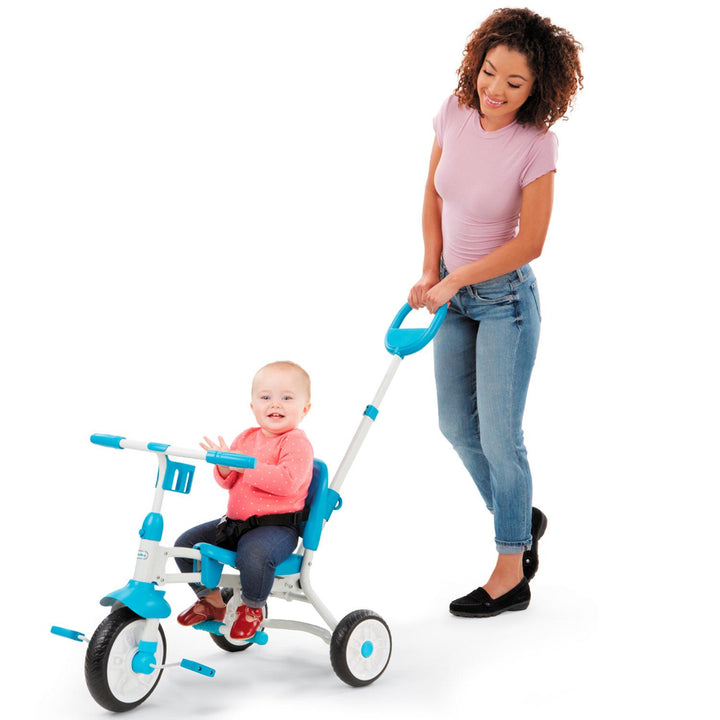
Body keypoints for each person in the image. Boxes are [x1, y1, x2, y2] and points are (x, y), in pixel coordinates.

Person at [408, 8, 583, 618]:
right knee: (456, 427)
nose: (495, 90)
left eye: (515, 82)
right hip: (450, 294)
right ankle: (520, 518)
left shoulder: (537, 144)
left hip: (504, 301)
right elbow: (432, 195)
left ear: (538, 87)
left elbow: (530, 242)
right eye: (489, 72)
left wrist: (455, 278)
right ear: (476, 64)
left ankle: (511, 571)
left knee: (501, 439)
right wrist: (430, 270)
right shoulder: (453, 112)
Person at [174, 361, 314, 639]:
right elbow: (228, 482)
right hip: (234, 524)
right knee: (185, 545)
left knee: (255, 555)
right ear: (253, 406)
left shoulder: (296, 442)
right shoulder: (246, 438)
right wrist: (224, 467)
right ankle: (211, 600)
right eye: (266, 397)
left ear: (305, 409)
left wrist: (246, 466)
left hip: (276, 529)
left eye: (287, 398)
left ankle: (252, 608)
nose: (276, 404)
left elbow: (287, 482)